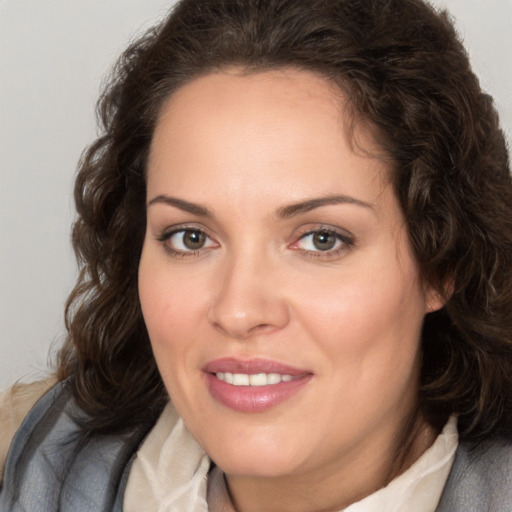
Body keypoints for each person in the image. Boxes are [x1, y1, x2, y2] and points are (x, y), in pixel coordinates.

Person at [1, 0, 512, 510]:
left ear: (442, 263)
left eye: (320, 239)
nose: (239, 310)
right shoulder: (35, 468)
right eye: (191, 238)